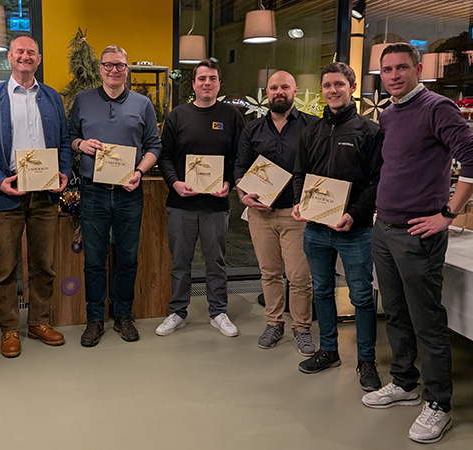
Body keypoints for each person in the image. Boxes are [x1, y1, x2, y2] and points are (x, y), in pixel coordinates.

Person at [362, 43, 473, 444]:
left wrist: (447, 214)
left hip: (417, 234)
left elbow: (471, 157)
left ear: (419, 69)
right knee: (395, 312)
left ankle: (439, 403)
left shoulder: (437, 108)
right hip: (384, 228)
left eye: (401, 68)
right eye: (387, 69)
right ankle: (405, 382)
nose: (394, 75)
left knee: (427, 320)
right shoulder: (389, 114)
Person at [0, 35, 72, 358]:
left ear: (39, 59)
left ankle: (39, 323)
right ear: (9, 57)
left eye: (31, 52)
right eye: (20, 51)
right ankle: (9, 329)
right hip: (6, 195)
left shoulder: (52, 98)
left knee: (44, 265)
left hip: (45, 195)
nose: (25, 56)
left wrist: (64, 173)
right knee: (5, 269)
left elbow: (64, 140)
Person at [292, 62, 383, 391]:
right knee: (322, 290)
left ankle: (366, 360)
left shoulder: (370, 131)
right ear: (322, 90)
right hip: (316, 229)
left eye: (339, 84)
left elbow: (378, 181)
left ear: (352, 87)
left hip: (354, 230)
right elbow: (301, 173)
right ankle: (328, 350)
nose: (333, 90)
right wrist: (299, 203)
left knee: (361, 296)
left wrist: (355, 214)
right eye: (327, 85)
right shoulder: (311, 131)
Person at [69, 45, 161, 347]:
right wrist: (81, 145)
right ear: (100, 69)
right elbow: (69, 138)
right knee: (94, 260)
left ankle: (123, 315)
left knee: (128, 258)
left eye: (120, 65)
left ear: (127, 69)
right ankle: (94, 319)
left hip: (128, 191)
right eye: (108, 65)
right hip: (93, 191)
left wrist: (140, 171)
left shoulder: (142, 103)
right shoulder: (83, 100)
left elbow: (154, 146)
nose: (114, 70)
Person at [156, 59, 244, 337]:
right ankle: (177, 312)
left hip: (216, 205)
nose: (207, 83)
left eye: (212, 78)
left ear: (219, 84)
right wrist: (175, 183)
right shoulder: (178, 116)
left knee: (215, 261)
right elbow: (165, 156)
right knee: (180, 261)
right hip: (181, 204)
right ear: (193, 84)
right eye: (202, 78)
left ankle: (218, 312)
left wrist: (229, 183)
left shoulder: (232, 116)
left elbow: (240, 157)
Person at [234, 71, 316, 354]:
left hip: (296, 214)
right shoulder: (252, 129)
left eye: (284, 87)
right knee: (269, 273)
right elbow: (240, 165)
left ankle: (302, 328)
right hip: (261, 214)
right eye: (273, 88)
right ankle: (274, 323)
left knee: (299, 276)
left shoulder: (311, 126)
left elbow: (320, 166)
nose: (278, 92)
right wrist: (243, 194)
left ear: (295, 91)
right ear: (266, 92)